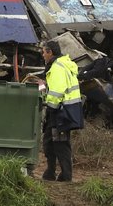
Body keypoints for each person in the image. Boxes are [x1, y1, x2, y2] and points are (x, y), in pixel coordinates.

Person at [41, 39, 84, 182]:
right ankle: (50, 172)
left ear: (50, 52)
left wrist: (49, 106)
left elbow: (57, 91)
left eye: (43, 52)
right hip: (65, 110)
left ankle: (66, 175)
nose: (43, 55)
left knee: (60, 144)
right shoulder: (61, 64)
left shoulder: (57, 67)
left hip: (60, 111)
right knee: (49, 142)